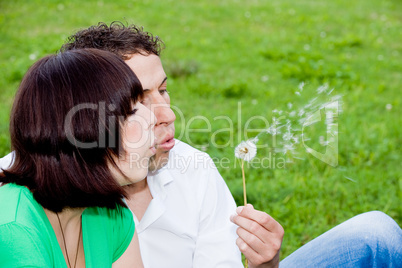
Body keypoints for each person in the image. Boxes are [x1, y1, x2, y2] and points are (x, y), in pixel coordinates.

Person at [1, 22, 401, 267]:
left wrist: (264, 266)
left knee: (374, 234)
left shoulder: (188, 169)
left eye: (164, 91)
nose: (166, 114)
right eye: (137, 102)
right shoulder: (23, 210)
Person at [0, 48, 157, 267]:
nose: (151, 118)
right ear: (80, 131)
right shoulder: (12, 233)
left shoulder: (113, 217)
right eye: (130, 111)